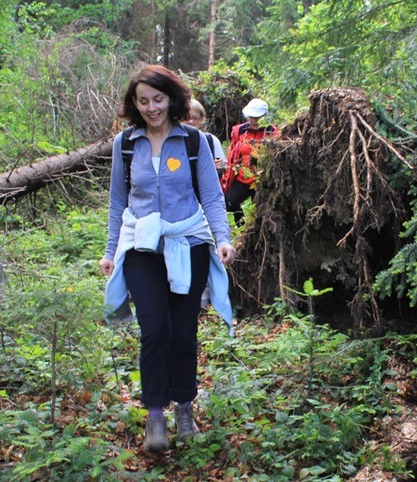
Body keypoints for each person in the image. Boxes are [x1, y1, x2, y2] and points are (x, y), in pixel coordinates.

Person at [99, 64, 235, 452]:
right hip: (143, 249)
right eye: (143, 100)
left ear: (172, 99)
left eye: (157, 99)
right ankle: (156, 414)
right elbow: (117, 203)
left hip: (187, 246)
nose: (151, 107)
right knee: (154, 330)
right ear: (134, 103)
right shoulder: (126, 144)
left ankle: (185, 408)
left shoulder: (193, 141)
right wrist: (111, 252)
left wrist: (221, 239)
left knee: (182, 332)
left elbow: (211, 195)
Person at [220, 98, 279, 224]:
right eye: (251, 117)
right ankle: (240, 224)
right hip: (243, 178)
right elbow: (233, 154)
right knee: (230, 201)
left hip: (262, 181)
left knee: (261, 211)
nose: (254, 120)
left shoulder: (272, 132)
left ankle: (254, 233)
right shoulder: (240, 132)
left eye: (257, 117)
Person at [186, 98, 226, 177]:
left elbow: (225, 167)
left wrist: (220, 166)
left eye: (195, 118)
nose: (191, 121)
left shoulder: (211, 140)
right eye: (187, 117)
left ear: (202, 121)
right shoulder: (172, 141)